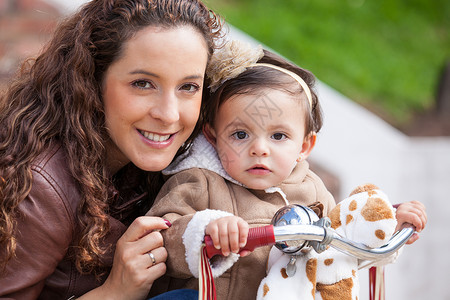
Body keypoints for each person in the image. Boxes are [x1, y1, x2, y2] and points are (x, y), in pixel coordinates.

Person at [147, 41, 427, 299]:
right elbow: (161, 239)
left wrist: (386, 225)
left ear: (305, 146)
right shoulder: (198, 181)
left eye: (278, 136)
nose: (259, 149)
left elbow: (339, 250)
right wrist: (204, 229)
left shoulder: (312, 190)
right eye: (240, 135)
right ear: (213, 137)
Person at [0, 0, 223, 299]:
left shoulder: (186, 158)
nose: (169, 115)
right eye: (143, 83)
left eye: (188, 87)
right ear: (92, 81)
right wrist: (116, 291)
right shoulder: (38, 187)